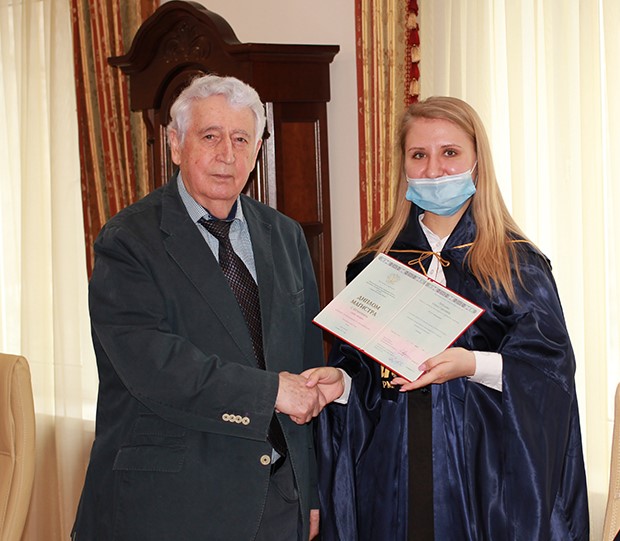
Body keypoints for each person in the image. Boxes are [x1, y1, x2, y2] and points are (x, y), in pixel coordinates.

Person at [72, 74, 343, 541]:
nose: (227, 155)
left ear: (256, 151)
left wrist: (310, 488)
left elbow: (303, 361)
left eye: (241, 139)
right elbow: (154, 365)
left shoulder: (285, 235)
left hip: (278, 500)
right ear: (175, 145)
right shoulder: (128, 241)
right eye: (210, 136)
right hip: (170, 507)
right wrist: (269, 393)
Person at [308, 96, 589, 540]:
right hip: (390, 476)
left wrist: (471, 364)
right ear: (403, 165)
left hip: (483, 480)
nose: (434, 170)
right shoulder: (376, 264)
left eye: (450, 153)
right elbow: (363, 371)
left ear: (477, 162)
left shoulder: (516, 265)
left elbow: (549, 373)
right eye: (419, 155)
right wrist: (340, 382)